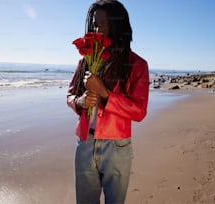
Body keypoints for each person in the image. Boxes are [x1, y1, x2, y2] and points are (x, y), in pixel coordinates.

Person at [67, 0, 149, 203]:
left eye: (104, 22)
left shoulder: (137, 65)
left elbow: (139, 111)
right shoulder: (85, 60)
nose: (98, 28)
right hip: (85, 142)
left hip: (117, 146)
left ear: (118, 24)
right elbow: (69, 95)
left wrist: (105, 92)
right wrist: (80, 101)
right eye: (95, 24)